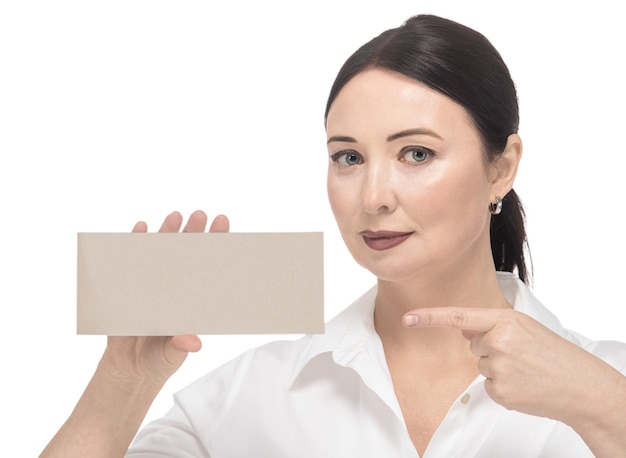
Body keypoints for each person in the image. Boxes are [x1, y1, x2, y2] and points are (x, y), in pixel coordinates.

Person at [41, 14, 626, 457]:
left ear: (501, 167)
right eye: (347, 157)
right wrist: (123, 381)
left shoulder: (608, 380)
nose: (372, 197)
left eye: (416, 153)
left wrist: (599, 402)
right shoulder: (251, 396)